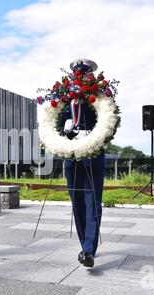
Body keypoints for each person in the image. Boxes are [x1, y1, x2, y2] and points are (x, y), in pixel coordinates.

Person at [62, 59, 104, 268]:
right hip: (72, 158)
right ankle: (85, 246)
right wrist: (65, 131)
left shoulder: (99, 97)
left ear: (89, 76)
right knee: (77, 203)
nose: (79, 77)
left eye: (83, 74)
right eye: (76, 74)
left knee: (92, 202)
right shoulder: (63, 100)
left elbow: (108, 124)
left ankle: (88, 250)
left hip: (92, 156)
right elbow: (55, 126)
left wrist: (91, 134)